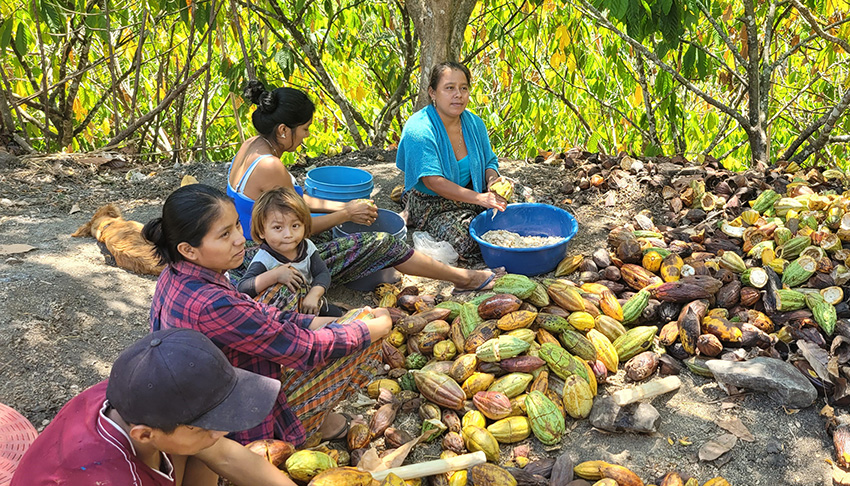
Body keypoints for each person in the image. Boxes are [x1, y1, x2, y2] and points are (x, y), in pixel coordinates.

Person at [144, 184, 393, 447]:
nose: (240, 239)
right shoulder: (212, 304)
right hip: (233, 422)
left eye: (237, 227)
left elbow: (259, 314)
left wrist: (325, 321)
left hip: (211, 393)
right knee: (362, 340)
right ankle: (305, 426)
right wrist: (369, 329)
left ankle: (317, 415)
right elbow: (305, 349)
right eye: (225, 234)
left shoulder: (178, 273)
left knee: (287, 292)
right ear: (188, 249)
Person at [227, 80, 500, 293]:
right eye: (305, 129)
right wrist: (345, 215)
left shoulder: (251, 146)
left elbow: (295, 203)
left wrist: (345, 207)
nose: (306, 137)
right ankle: (462, 278)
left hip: (269, 243)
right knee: (381, 243)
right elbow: (300, 225)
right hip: (269, 259)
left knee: (350, 230)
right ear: (284, 130)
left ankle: (384, 262)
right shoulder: (270, 166)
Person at [12, 328, 297, 486]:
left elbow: (226, 457)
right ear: (145, 435)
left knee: (202, 450)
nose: (221, 431)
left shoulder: (131, 394)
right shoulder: (110, 478)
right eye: (205, 426)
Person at [396, 61, 525, 258]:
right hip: (433, 203)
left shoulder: (474, 124)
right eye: (449, 88)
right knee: (468, 242)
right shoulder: (419, 130)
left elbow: (489, 162)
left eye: (463, 88)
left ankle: (476, 214)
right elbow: (433, 182)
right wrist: (481, 199)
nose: (458, 94)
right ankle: (413, 210)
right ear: (432, 93)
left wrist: (491, 181)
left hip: (473, 190)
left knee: (527, 201)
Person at [237, 186, 341, 316]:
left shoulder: (307, 246)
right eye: (278, 227)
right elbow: (243, 288)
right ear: (262, 231)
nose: (288, 234)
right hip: (279, 311)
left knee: (336, 314)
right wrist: (275, 275)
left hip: (305, 301)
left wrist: (314, 294)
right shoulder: (265, 258)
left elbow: (322, 273)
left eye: (295, 226)